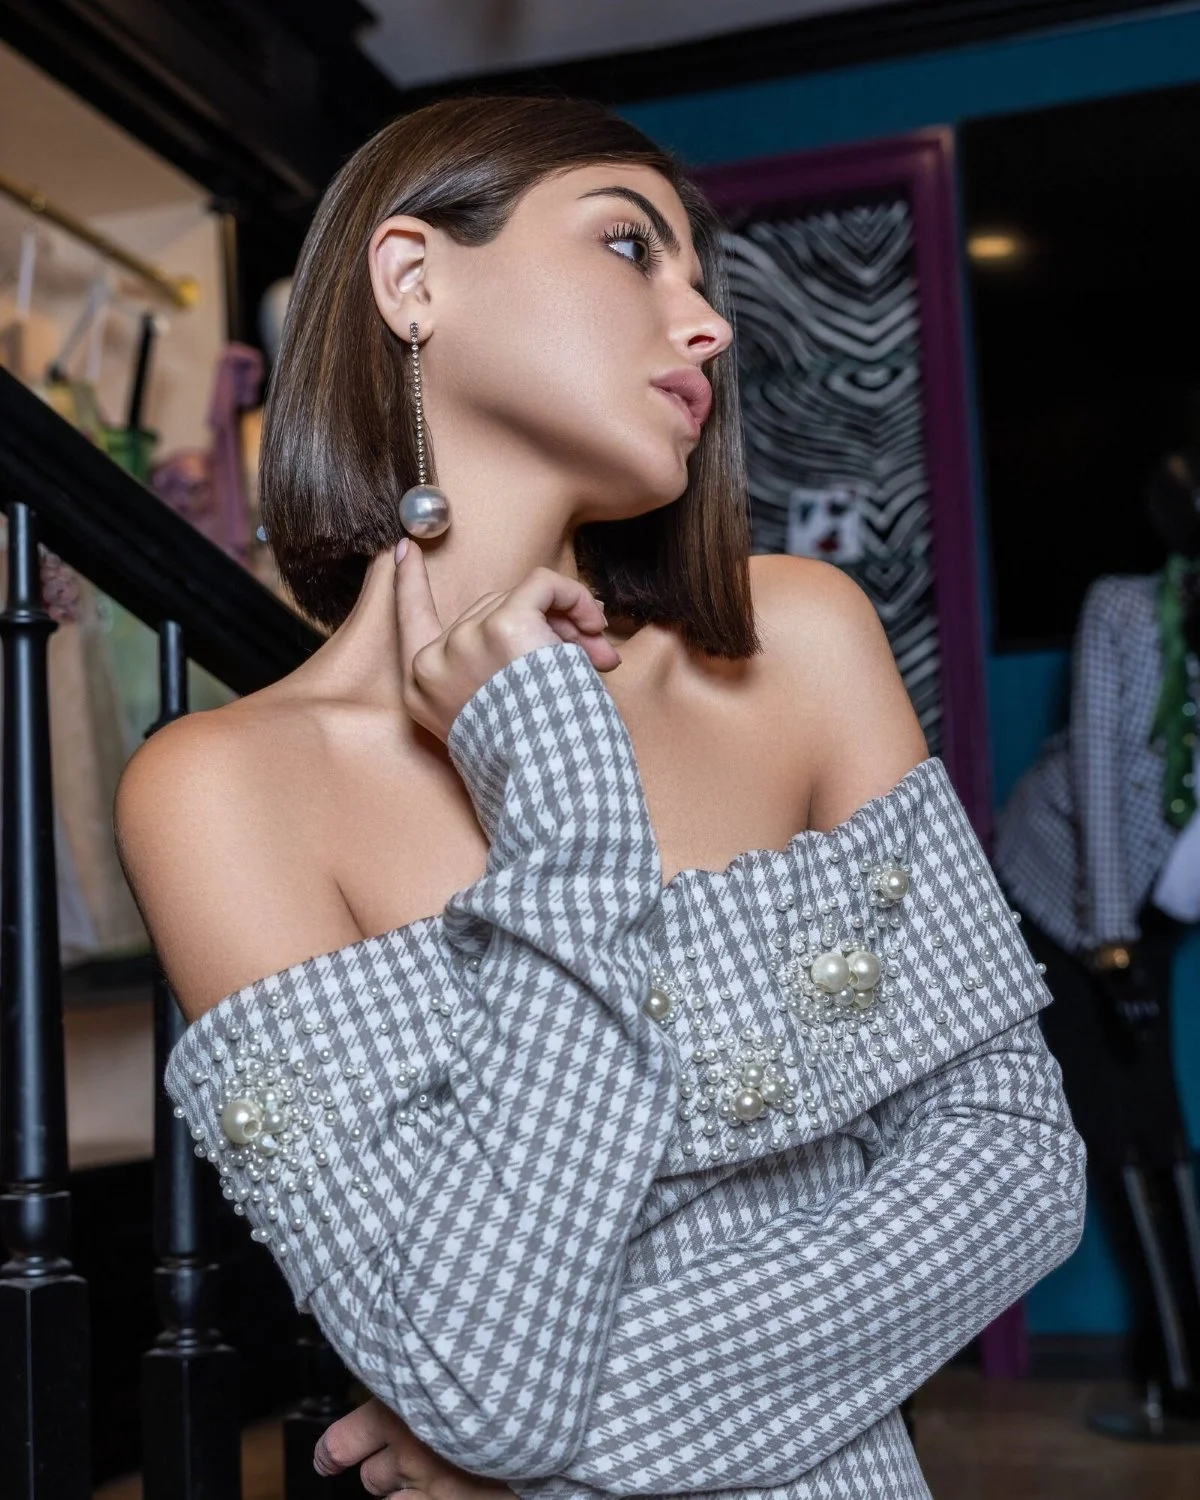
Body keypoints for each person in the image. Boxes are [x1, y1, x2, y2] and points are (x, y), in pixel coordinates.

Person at [114, 96, 1086, 1500]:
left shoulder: (797, 642)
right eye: (632, 245)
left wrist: (519, 1449)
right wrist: (562, 799)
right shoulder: (220, 792)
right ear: (413, 278)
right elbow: (474, 1377)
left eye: (703, 276)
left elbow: (1016, 1169)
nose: (709, 325)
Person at [993, 448, 1200, 1441]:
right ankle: (1180, 1383)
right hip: (1064, 888)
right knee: (1126, 1131)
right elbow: (1105, 776)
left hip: (1154, 902)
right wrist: (1113, 950)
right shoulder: (1125, 609)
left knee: (1152, 1132)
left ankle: (1183, 1377)